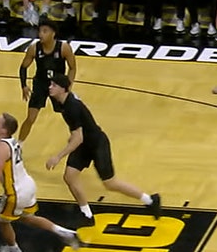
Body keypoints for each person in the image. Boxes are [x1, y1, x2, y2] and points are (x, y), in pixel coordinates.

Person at [46, 76, 160, 226]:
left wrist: (58, 156)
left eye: (54, 85)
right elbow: (78, 131)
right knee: (70, 177)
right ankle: (86, 214)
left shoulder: (71, 106)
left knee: (110, 183)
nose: (50, 87)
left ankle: (150, 201)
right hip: (84, 144)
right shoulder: (62, 101)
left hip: (97, 144)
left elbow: (78, 137)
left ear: (63, 88)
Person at [0, 113, 82, 252]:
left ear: (4, 130)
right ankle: (63, 232)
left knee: (2, 221)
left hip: (16, 191)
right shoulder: (13, 142)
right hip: (27, 184)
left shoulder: (0, 147)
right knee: (27, 218)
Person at [17, 22, 76, 142]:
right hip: (40, 84)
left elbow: (72, 67)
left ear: (53, 33)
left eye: (45, 31)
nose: (41, 34)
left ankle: (77, 139)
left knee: (69, 116)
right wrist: (23, 85)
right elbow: (23, 67)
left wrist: (68, 85)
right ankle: (18, 144)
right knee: (30, 118)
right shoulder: (34, 48)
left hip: (58, 85)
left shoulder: (63, 47)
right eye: (40, 31)